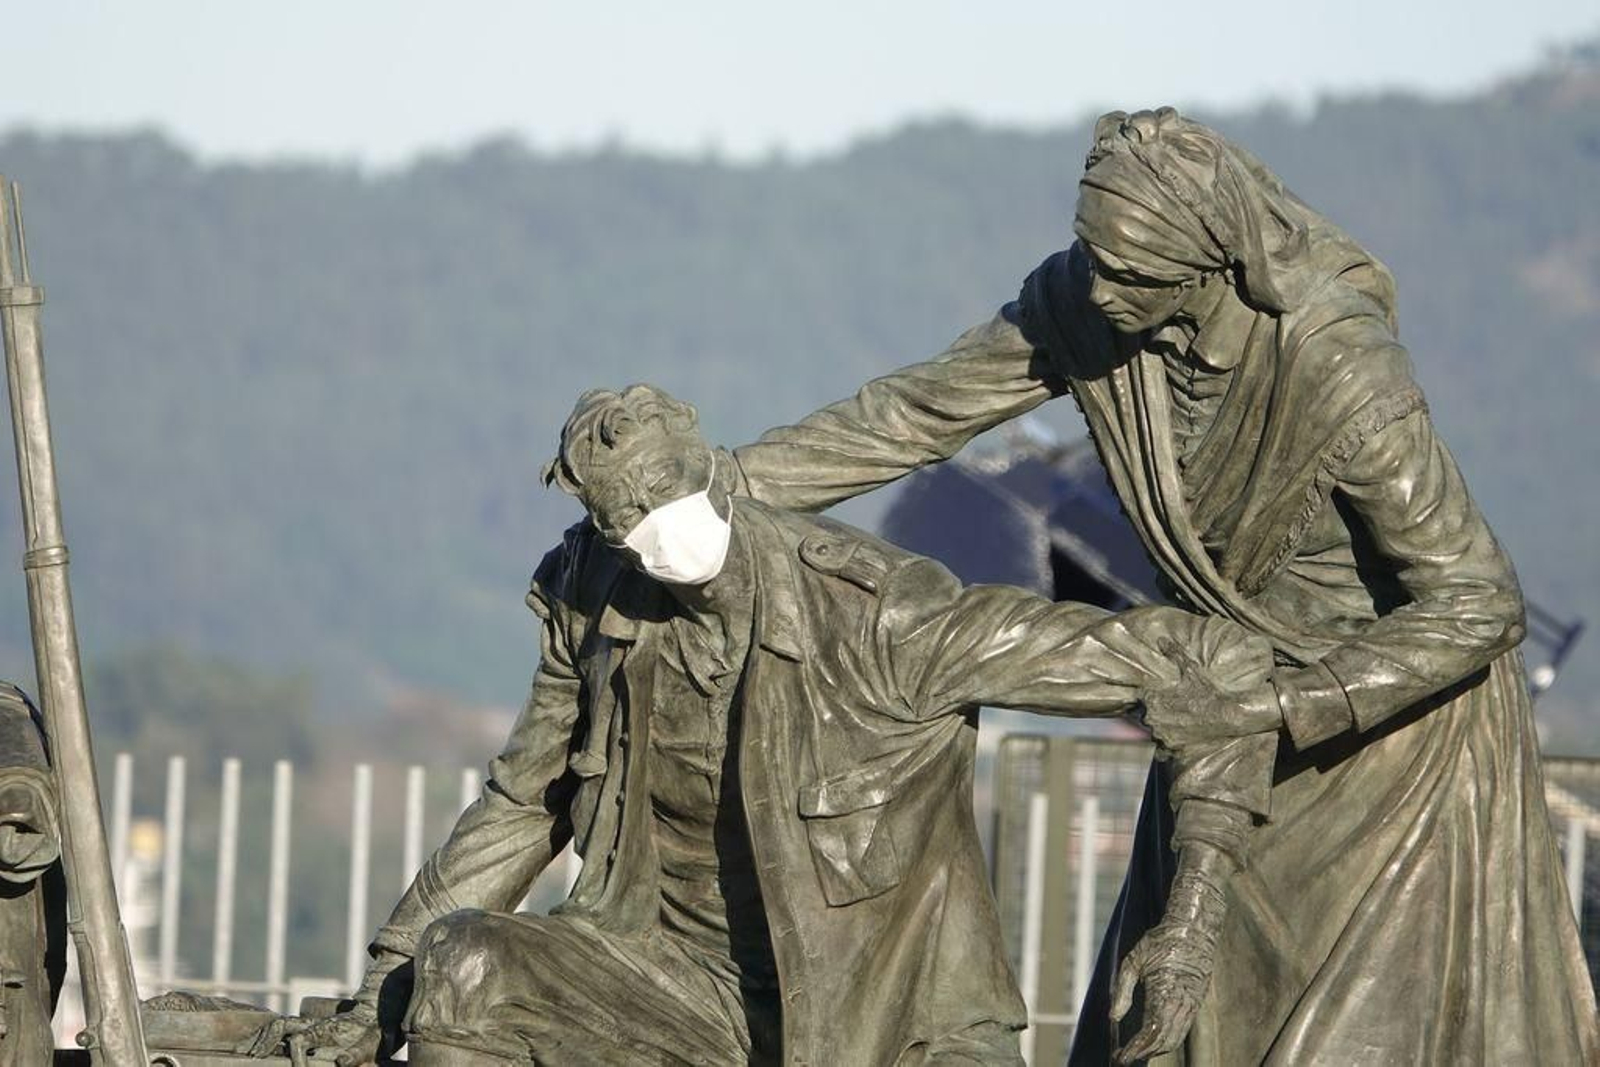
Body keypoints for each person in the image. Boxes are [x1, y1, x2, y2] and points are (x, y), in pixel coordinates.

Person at [730, 108, 1600, 1063]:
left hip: (1391, 755)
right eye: (1091, 260)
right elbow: (911, 415)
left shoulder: (1342, 372)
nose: (1100, 291)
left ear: (1209, 269)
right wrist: (715, 492)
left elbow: (1480, 599)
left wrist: (1287, 702)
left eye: (1130, 276)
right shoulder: (1086, 306)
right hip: (1225, 717)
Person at [246, 383, 1274, 1066]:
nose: (651, 544)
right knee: (462, 961)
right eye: (622, 526)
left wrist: (1187, 911)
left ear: (709, 477)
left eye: (664, 507)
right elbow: (524, 799)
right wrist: (382, 982)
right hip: (668, 980)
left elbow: (1206, 664)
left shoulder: (882, 616)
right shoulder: (594, 599)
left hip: (880, 1022)